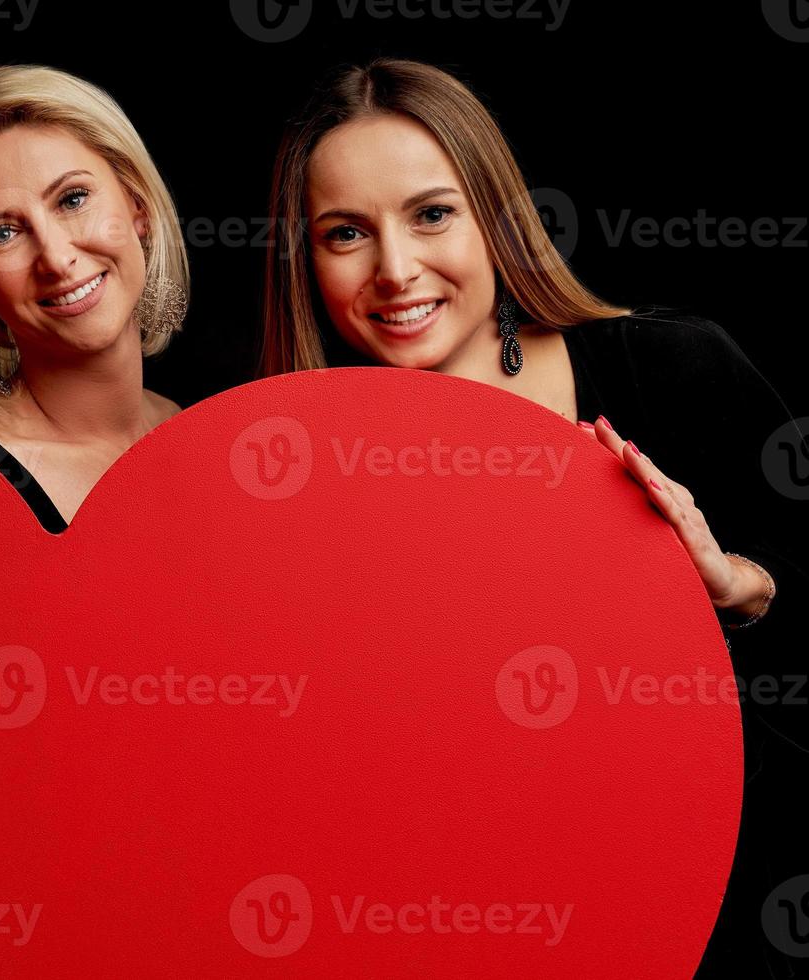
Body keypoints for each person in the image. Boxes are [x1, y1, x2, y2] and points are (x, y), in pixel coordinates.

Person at [261, 57, 806, 975]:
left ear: (497, 217)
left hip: (744, 894)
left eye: (432, 214)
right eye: (345, 233)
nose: (396, 271)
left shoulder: (672, 367)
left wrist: (738, 588)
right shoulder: (288, 484)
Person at [0, 64, 190, 533]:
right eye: (1, 233)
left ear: (137, 204)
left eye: (73, 200)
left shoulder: (199, 428)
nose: (55, 259)